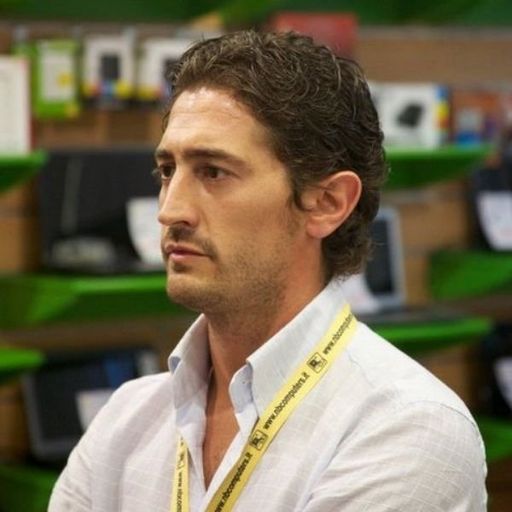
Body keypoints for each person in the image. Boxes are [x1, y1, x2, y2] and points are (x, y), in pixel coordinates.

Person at [49, 30, 487, 511]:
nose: (170, 210)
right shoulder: (126, 418)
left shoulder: (408, 428)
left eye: (213, 172)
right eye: (167, 170)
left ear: (327, 202)